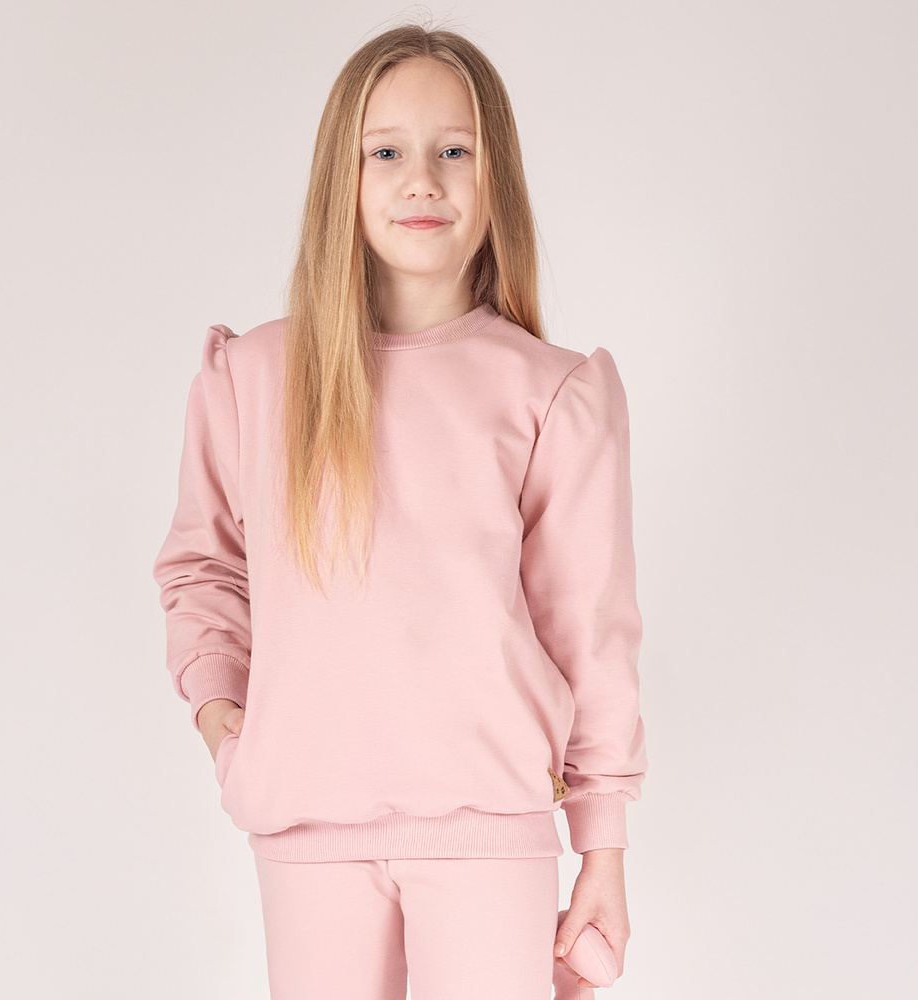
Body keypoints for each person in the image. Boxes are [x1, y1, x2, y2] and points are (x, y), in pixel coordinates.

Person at [152, 21, 648, 1000]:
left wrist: (602, 844)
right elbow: (203, 569)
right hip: (305, 827)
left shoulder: (552, 392)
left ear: (495, 178)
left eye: (453, 151)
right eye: (386, 153)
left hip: (489, 828)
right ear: (341, 176)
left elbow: (588, 629)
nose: (421, 180)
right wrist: (225, 723)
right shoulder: (252, 377)